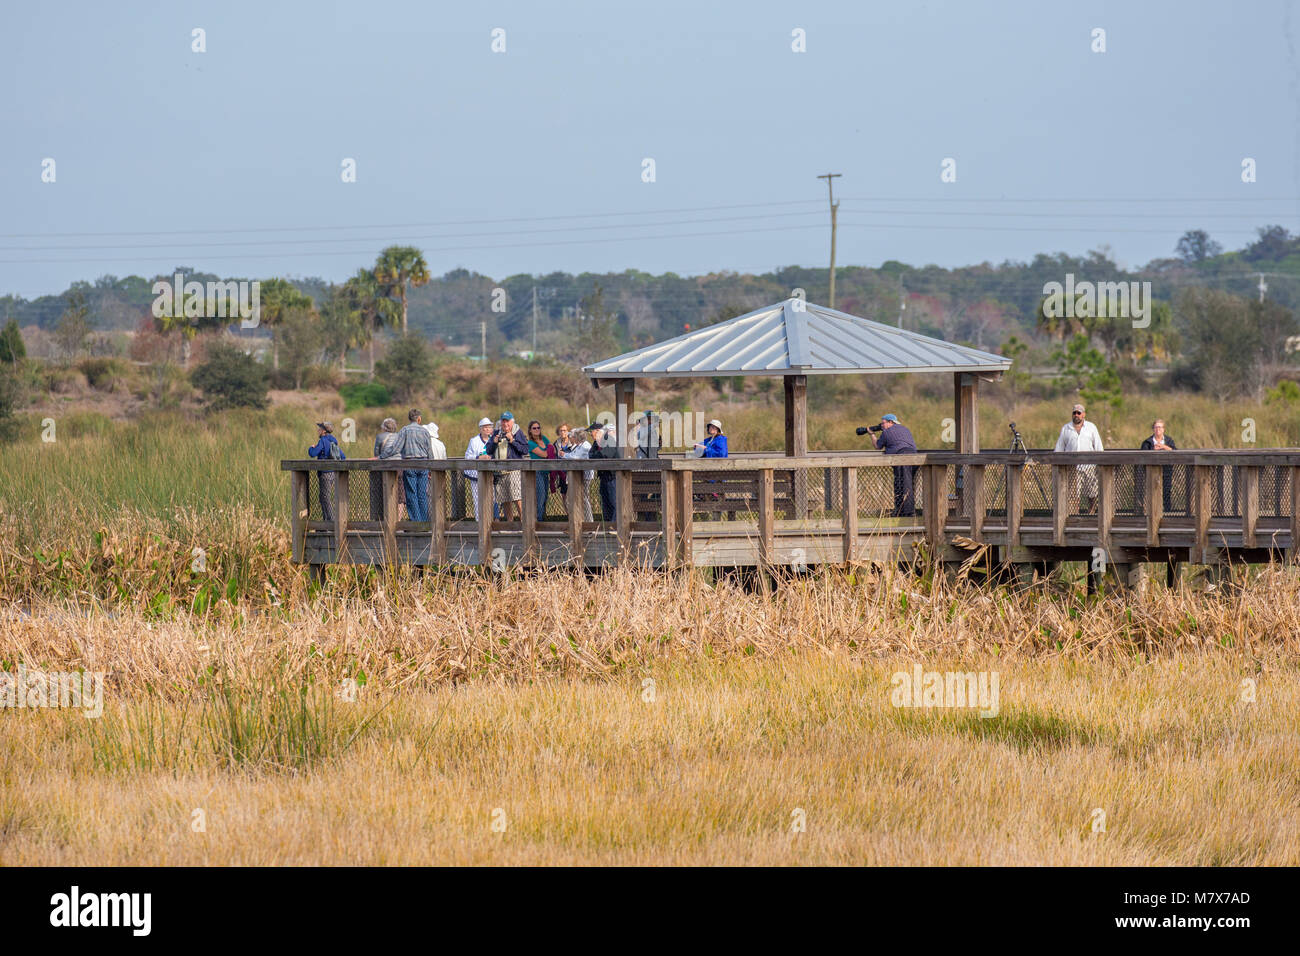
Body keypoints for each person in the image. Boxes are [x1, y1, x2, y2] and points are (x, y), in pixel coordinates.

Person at [1054, 402, 1104, 513]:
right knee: (1073, 494)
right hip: (1073, 468)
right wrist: (1057, 461)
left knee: (1092, 493)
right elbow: (1059, 448)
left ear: (1083, 414)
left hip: (1089, 466)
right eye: (1074, 413)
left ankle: (1091, 513)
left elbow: (1098, 446)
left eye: (1079, 413)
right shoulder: (1066, 428)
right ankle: (1073, 515)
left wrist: (1100, 461)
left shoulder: (1091, 427)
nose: (1076, 415)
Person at [484, 411, 528, 521]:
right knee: (505, 499)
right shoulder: (496, 433)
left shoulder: (518, 433)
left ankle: (524, 523)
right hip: (499, 472)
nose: (505, 424)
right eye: (503, 421)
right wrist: (494, 442)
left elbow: (525, 450)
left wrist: (512, 440)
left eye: (507, 421)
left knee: (517, 498)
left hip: (514, 471)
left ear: (512, 422)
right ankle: (510, 523)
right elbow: (488, 450)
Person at [871, 413, 919, 516]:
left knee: (903, 484)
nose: (881, 426)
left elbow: (877, 446)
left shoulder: (886, 432)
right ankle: (905, 510)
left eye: (883, 423)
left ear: (891, 422)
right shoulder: (905, 429)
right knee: (908, 483)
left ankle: (906, 513)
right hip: (915, 458)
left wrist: (872, 434)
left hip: (901, 458)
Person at [396, 408, 433, 522]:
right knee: (422, 494)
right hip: (423, 465)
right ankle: (424, 521)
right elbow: (429, 451)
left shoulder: (404, 430)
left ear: (409, 418)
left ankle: (416, 522)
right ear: (419, 419)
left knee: (412, 494)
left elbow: (396, 448)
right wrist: (431, 467)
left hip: (409, 464)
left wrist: (382, 456)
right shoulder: (425, 431)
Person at [307, 421, 345, 522]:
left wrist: (311, 448)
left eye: (319, 428)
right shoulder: (334, 441)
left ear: (323, 431)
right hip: (333, 473)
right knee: (323, 496)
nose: (317, 430)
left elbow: (313, 453)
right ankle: (326, 521)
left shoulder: (323, 441)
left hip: (325, 473)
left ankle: (330, 521)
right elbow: (343, 456)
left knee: (325, 497)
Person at [1139, 418, 1179, 512]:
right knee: (1152, 491)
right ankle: (1152, 511)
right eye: (1156, 427)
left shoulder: (1169, 441)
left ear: (1163, 429)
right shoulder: (1147, 442)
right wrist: (1153, 450)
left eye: (1160, 427)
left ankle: (1167, 511)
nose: (1158, 430)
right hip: (1151, 470)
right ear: (1153, 429)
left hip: (1166, 469)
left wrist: (1164, 447)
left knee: (1166, 490)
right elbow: (1142, 455)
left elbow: (1175, 451)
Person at [559, 425, 595, 521]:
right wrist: (566, 455)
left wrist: (564, 455)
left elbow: (576, 457)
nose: (571, 438)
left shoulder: (585, 445)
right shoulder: (580, 445)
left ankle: (589, 521)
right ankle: (580, 520)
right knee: (577, 498)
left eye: (573, 436)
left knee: (583, 498)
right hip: (578, 476)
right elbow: (573, 455)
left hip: (585, 475)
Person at [464, 417, 495, 521]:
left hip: (492, 475)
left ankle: (492, 521)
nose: (487, 429)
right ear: (480, 429)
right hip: (476, 476)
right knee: (477, 499)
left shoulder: (495, 440)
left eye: (489, 427)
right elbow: (468, 457)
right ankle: (479, 522)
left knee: (492, 499)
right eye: (485, 427)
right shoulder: (474, 441)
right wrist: (479, 458)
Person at [587, 420, 618, 521]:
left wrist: (597, 456)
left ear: (597, 431)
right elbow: (590, 455)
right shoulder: (596, 443)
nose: (590, 434)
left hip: (613, 477)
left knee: (615, 503)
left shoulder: (610, 440)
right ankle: (608, 527)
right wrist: (598, 455)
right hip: (603, 477)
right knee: (605, 504)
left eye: (591, 432)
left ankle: (616, 527)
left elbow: (606, 455)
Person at [370, 417, 400, 519]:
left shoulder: (380, 437)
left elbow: (376, 453)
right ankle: (398, 518)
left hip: (385, 467)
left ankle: (384, 517)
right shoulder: (399, 436)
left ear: (384, 427)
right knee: (399, 494)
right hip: (400, 467)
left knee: (383, 492)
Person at [526, 420, 552, 519]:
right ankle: (538, 521)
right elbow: (545, 454)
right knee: (540, 498)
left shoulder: (544, 438)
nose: (537, 430)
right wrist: (549, 451)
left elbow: (552, 448)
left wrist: (550, 450)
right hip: (537, 472)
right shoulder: (530, 443)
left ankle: (542, 519)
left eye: (538, 428)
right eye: (534, 428)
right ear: (530, 430)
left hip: (546, 472)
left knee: (545, 497)